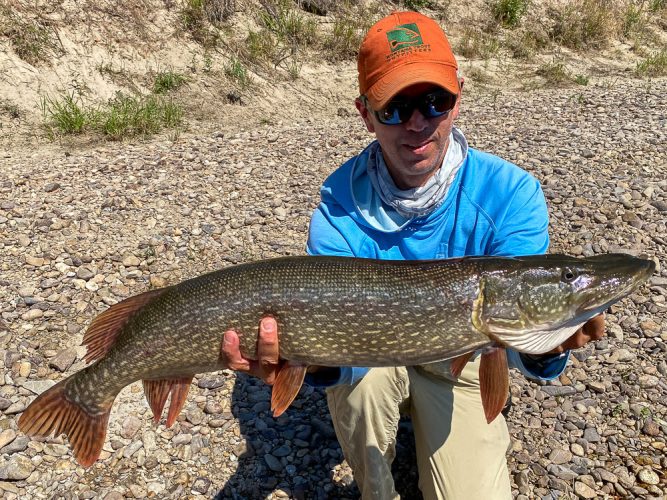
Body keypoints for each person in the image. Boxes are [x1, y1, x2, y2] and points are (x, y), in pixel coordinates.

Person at [221, 11, 605, 500]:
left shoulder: (511, 195)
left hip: (465, 365)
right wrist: (303, 362)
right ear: (365, 113)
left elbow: (523, 333)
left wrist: (550, 345)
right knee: (365, 393)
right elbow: (339, 363)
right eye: (395, 108)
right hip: (370, 364)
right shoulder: (340, 206)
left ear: (457, 99)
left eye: (434, 101)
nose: (418, 124)